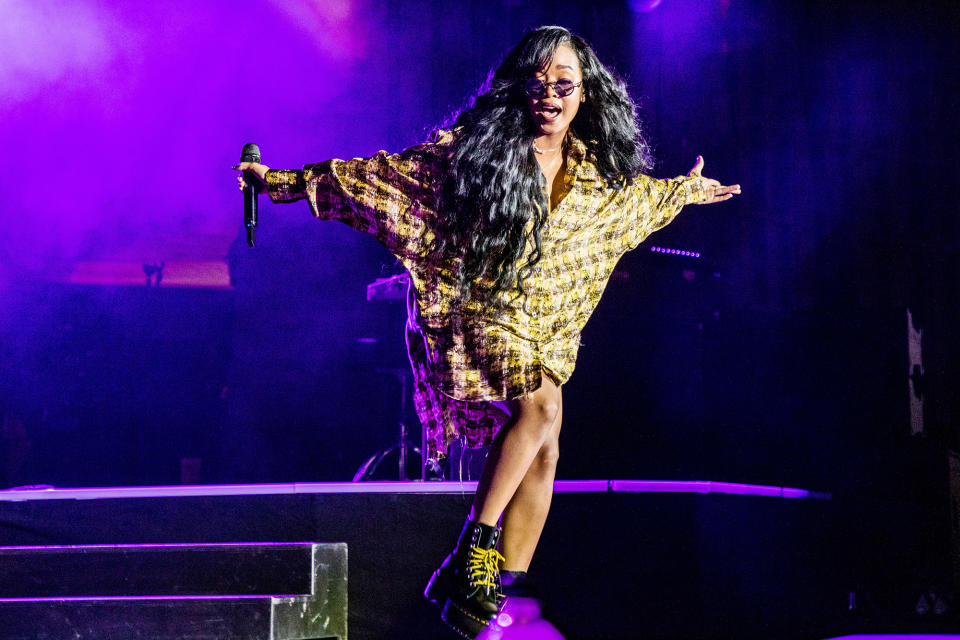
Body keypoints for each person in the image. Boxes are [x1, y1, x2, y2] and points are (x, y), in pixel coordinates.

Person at [235, 25, 740, 639]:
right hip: (475, 309)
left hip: (542, 325)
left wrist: (687, 191)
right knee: (540, 404)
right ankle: (474, 545)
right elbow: (375, 179)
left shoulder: (597, 179)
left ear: (585, 95)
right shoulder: (471, 152)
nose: (549, 94)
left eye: (563, 84)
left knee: (548, 441)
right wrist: (280, 182)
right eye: (537, 83)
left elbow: (642, 200)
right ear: (519, 90)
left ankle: (491, 595)